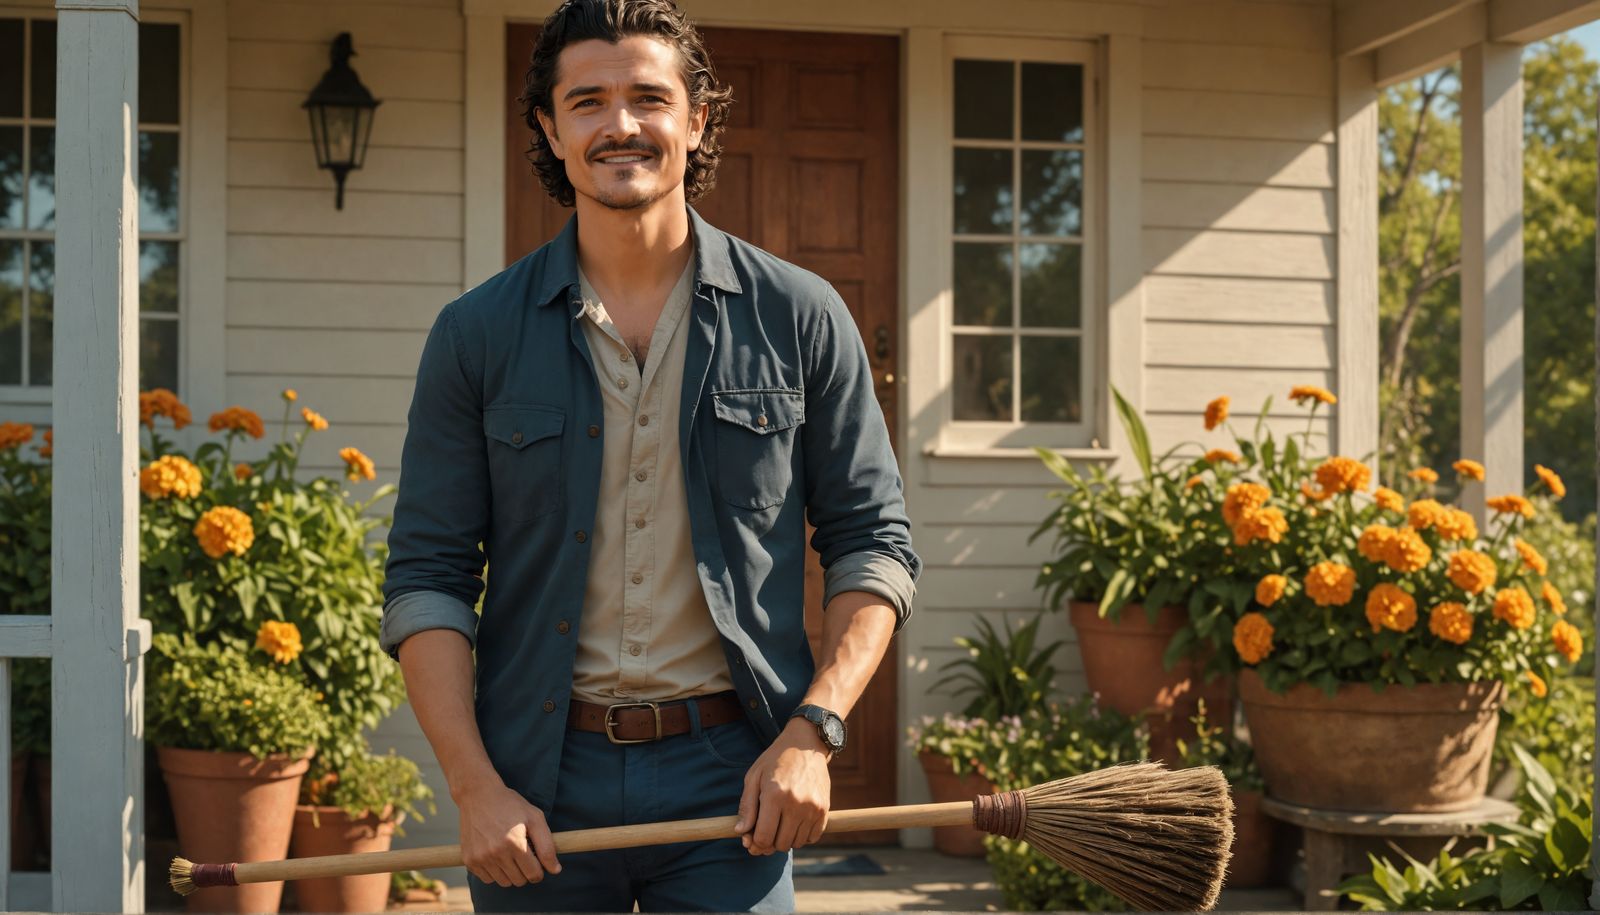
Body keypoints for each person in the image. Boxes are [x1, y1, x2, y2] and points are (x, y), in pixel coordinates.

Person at [377, 1, 920, 911]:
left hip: (735, 776)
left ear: (698, 117)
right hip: (535, 784)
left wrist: (813, 732)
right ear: (550, 129)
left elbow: (875, 541)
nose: (620, 124)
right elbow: (427, 574)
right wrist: (475, 787)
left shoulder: (801, 315)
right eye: (586, 101)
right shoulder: (475, 335)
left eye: (648, 97)